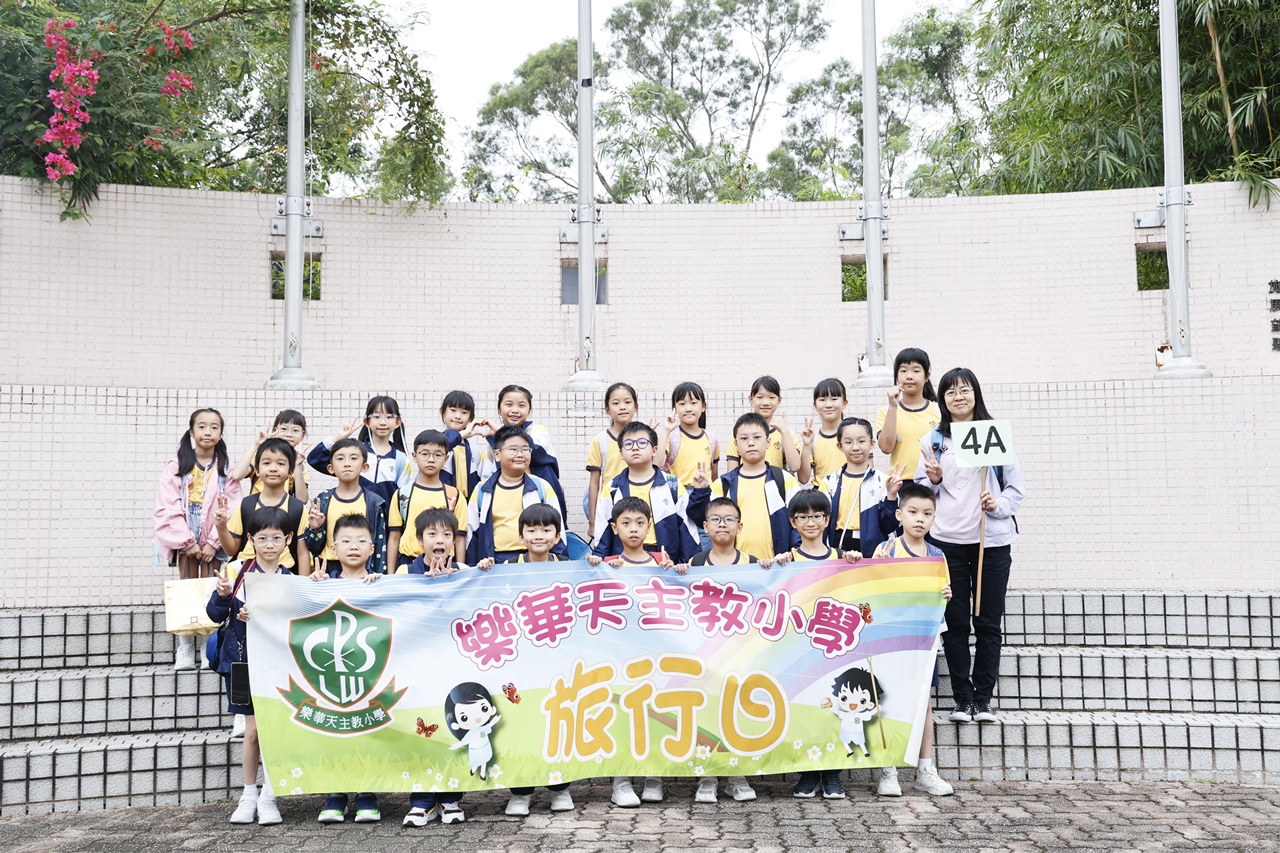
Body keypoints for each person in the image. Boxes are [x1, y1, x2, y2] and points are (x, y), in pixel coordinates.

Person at [917, 367, 1025, 725]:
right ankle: (962, 699)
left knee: (988, 622)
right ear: (941, 399)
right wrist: (934, 480)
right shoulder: (933, 440)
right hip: (947, 543)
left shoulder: (994, 435)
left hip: (990, 542)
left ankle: (983, 700)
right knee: (955, 622)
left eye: (964, 390)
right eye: (950, 392)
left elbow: (1015, 490)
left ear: (976, 393)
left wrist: (997, 506)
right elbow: (919, 496)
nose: (958, 397)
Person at [206, 506, 294, 826]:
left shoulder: (291, 580)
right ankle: (248, 795)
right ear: (251, 539)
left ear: (288, 540)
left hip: (277, 664)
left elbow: (296, 622)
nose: (269, 544)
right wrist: (225, 598)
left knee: (273, 729)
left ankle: (269, 796)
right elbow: (214, 615)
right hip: (241, 664)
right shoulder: (235, 571)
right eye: (262, 538)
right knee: (253, 730)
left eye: (276, 538)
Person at [871, 482, 955, 797]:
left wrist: (946, 594)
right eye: (913, 512)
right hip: (890, 639)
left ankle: (925, 769)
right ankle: (888, 770)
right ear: (899, 514)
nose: (920, 519)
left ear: (934, 517)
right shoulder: (886, 550)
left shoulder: (937, 555)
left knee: (923, 703)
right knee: (889, 701)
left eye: (927, 513)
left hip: (924, 641)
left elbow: (942, 596)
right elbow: (870, 592)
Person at [590, 498, 675, 808]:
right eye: (626, 523)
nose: (634, 529)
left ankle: (654, 777)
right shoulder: (607, 565)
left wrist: (676, 571)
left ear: (649, 526)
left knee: (656, 714)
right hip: (620, 656)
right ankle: (621, 781)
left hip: (657, 654)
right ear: (615, 528)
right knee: (622, 716)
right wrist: (597, 569)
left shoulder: (662, 562)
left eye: (640, 523)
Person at [500, 504, 576, 815]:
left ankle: (560, 788)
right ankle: (521, 792)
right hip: (519, 662)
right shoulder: (507, 567)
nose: (539, 535)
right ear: (521, 536)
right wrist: (485, 568)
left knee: (557, 723)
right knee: (520, 724)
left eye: (546, 530)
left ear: (558, 537)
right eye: (531, 530)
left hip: (556, 661)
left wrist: (595, 566)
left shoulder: (569, 566)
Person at [154, 407, 241, 670]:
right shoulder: (177, 466)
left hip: (215, 529)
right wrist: (186, 541)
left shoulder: (227, 468)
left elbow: (234, 504)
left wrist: (214, 541)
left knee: (213, 587)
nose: (208, 432)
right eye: (202, 426)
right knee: (187, 586)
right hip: (186, 530)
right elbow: (167, 504)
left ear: (221, 433)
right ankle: (185, 647)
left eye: (214, 427)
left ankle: (207, 646)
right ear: (191, 432)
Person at [688, 413, 801, 565]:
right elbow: (702, 520)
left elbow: (799, 523)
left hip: (776, 566)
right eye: (744, 438)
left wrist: (792, 555)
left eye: (757, 437)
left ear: (768, 442)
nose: (751, 443)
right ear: (736, 445)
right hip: (735, 569)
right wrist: (700, 492)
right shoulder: (723, 484)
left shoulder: (784, 480)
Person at [591, 422, 699, 564]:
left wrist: (685, 565)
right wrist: (601, 563)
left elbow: (687, 530)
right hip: (623, 564)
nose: (635, 447)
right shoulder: (612, 488)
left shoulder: (672, 485)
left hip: (665, 563)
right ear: (621, 453)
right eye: (628, 444)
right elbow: (602, 534)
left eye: (642, 442)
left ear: (654, 450)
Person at [466, 425, 567, 564]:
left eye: (525, 449)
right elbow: (472, 533)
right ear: (497, 454)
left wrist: (559, 565)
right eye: (513, 449)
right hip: (494, 563)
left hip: (533, 561)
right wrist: (472, 567)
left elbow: (557, 529)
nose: (520, 455)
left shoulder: (541, 487)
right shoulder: (482, 490)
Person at [213, 438, 310, 575]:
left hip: (283, 576)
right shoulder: (246, 505)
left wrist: (303, 585)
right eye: (266, 463)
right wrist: (221, 527)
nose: (273, 468)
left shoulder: (297, 508)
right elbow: (231, 550)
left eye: (280, 463)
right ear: (257, 470)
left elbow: (302, 553)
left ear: (291, 472)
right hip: (246, 575)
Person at [303, 438, 400, 575]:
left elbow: (379, 547)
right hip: (328, 572)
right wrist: (315, 529)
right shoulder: (323, 500)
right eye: (340, 459)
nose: (347, 463)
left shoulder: (375, 503)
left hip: (363, 573)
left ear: (364, 467)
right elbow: (313, 547)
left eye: (353, 458)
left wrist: (378, 577)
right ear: (330, 468)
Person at [475, 385, 567, 519]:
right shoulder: (492, 444)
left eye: (521, 405)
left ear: (529, 410)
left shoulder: (538, 431)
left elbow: (536, 452)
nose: (515, 410)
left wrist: (501, 432)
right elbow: (487, 477)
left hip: (539, 498)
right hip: (506, 502)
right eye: (509, 404)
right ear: (499, 409)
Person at [307, 395, 414, 504]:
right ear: (367, 422)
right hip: (352, 514)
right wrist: (338, 438)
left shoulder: (401, 460)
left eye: (389, 417)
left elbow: (405, 499)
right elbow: (315, 459)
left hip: (385, 515)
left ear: (397, 422)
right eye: (376, 416)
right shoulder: (354, 453)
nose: (383, 422)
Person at [823, 417, 904, 558]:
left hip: (874, 551)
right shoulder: (830, 482)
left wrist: (891, 496)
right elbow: (821, 523)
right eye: (848, 442)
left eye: (861, 441)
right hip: (837, 548)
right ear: (840, 446)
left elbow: (890, 526)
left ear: (872, 444)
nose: (855, 447)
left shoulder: (884, 481)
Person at [658, 382, 719, 550]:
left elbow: (714, 476)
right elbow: (657, 464)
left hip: (703, 495)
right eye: (682, 403)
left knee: (705, 539)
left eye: (693, 402)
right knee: (680, 540)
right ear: (675, 408)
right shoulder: (671, 436)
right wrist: (665, 431)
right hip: (677, 495)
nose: (688, 408)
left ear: (703, 407)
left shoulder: (711, 438)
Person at [397, 430, 469, 569]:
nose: (431, 459)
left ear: (446, 459)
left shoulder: (454, 495)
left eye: (437, 455)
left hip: (445, 563)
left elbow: (459, 538)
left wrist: (460, 570)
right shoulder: (403, 494)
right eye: (424, 454)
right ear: (414, 456)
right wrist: (391, 574)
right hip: (409, 562)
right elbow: (394, 536)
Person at [725, 375, 810, 483]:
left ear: (779, 400)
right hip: (747, 487)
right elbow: (731, 475)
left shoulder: (787, 433)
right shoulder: (739, 434)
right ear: (751, 399)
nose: (765, 402)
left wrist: (784, 431)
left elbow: (795, 466)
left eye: (771, 397)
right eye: (760, 397)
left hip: (777, 489)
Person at [876, 348, 941, 485]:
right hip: (900, 483)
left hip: (933, 482)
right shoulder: (886, 411)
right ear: (896, 376)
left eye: (916, 371)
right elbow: (886, 448)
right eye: (903, 370)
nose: (909, 376)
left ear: (927, 376)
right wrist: (893, 407)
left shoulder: (939, 410)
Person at [586, 382, 639, 541]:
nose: (622, 407)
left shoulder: (645, 438)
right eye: (616, 403)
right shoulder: (600, 440)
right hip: (609, 506)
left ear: (636, 406)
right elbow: (594, 483)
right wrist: (592, 521)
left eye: (627, 402)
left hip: (639, 505)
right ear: (607, 409)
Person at [227, 409, 311, 501]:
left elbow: (302, 500)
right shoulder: (262, 456)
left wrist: (297, 465)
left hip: (284, 510)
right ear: (275, 430)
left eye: (295, 430)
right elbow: (236, 475)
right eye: (284, 429)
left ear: (302, 435)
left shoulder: (299, 466)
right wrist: (255, 444)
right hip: (257, 508)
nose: (289, 434)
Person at [438, 390, 496, 501]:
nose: (458, 416)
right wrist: (460, 435)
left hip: (468, 505)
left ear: (471, 418)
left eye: (464, 412)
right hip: (440, 502)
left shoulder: (476, 451)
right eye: (453, 410)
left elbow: (485, 479)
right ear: (443, 412)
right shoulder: (434, 442)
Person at [682, 497, 757, 569]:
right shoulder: (696, 563)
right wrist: (680, 571)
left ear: (739, 527)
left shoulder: (752, 563)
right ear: (706, 526)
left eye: (729, 519)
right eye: (715, 519)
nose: (722, 524)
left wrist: (763, 568)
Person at [310, 513, 383, 582]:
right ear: (334, 549)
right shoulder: (328, 581)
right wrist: (319, 584)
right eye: (346, 541)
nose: (354, 547)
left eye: (361, 541)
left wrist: (378, 584)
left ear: (371, 549)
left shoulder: (377, 580)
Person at [805, 377, 849, 481]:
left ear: (844, 403)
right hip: (821, 490)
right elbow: (803, 478)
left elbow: (868, 471)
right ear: (815, 405)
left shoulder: (856, 434)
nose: (828, 405)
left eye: (834, 399)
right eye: (822, 400)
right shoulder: (813, 439)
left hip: (850, 490)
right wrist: (806, 445)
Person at [400, 508, 466, 576]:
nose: (440, 541)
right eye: (432, 534)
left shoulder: (463, 571)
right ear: (420, 539)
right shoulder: (405, 572)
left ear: (453, 540)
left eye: (447, 534)